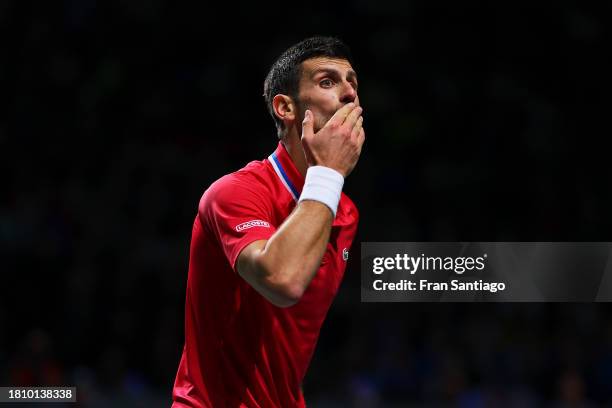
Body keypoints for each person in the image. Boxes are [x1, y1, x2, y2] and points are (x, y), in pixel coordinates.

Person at [172, 36, 365, 407]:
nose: (349, 94)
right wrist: (327, 174)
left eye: (353, 83)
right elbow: (282, 280)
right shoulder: (234, 193)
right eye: (328, 82)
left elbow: (285, 345)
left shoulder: (344, 212)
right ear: (285, 108)